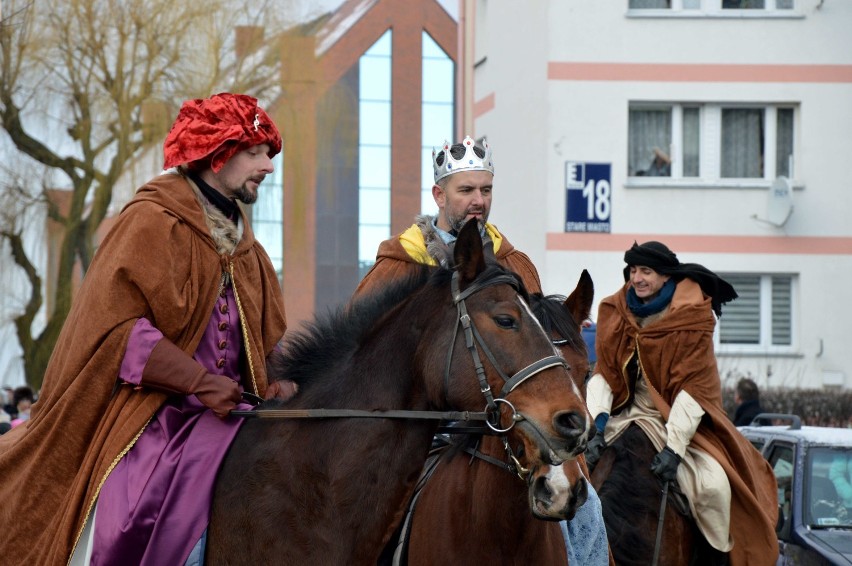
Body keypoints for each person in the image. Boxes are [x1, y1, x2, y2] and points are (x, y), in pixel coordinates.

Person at [0, 93, 291, 565]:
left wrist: (277, 376)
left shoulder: (249, 251)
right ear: (217, 155)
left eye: (268, 155)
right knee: (124, 520)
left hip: (235, 413)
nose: (268, 167)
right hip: (154, 415)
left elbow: (264, 338)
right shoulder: (150, 222)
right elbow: (120, 331)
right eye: (255, 153)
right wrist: (199, 382)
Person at [356, 136, 611, 566]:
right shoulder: (398, 266)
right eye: (466, 190)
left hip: (510, 433)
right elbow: (364, 359)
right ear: (439, 194)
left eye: (485, 190)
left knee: (587, 512)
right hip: (419, 432)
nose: (478, 201)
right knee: (359, 516)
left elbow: (540, 351)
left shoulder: (514, 265)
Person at [584, 241, 779, 565]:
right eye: (633, 271)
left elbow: (694, 389)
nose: (637, 278)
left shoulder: (691, 317)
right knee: (568, 477)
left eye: (646, 271)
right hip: (626, 414)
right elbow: (605, 373)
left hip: (678, 421)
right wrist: (597, 425)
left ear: (665, 276)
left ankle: (719, 559)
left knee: (713, 489)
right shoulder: (616, 310)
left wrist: (674, 449)